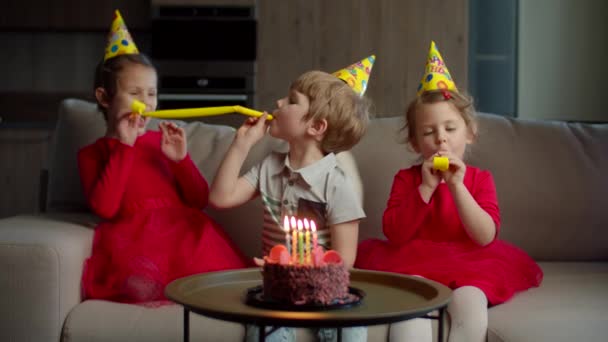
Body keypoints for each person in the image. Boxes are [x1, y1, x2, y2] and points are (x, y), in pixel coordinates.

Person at [355, 42, 543, 342]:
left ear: (470, 133)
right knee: (409, 301)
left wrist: (456, 187)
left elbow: (485, 235)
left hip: (470, 262)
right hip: (412, 261)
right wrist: (426, 188)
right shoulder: (406, 179)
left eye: (450, 129)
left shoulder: (480, 179)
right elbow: (396, 233)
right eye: (429, 132)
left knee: (470, 301)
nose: (440, 139)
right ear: (415, 144)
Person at [78, 10, 248, 305]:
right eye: (135, 93)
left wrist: (180, 160)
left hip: (183, 233)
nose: (146, 102)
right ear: (105, 98)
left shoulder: (161, 141)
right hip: (135, 239)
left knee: (219, 279)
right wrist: (124, 147)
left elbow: (199, 200)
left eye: (152, 93)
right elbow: (105, 208)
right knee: (139, 285)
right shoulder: (92, 154)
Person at [209, 56, 375, 342]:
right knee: (264, 333)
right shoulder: (269, 167)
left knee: (349, 333)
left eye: (291, 100)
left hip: (325, 291)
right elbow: (221, 198)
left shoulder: (336, 184)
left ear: (316, 127)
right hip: (276, 290)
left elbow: (345, 260)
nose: (279, 103)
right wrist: (242, 144)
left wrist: (307, 276)